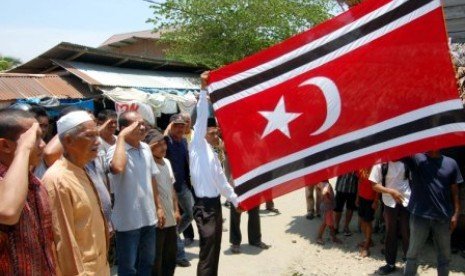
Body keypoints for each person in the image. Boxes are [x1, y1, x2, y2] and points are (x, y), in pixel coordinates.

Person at [42, 110, 109, 275]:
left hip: (99, 267)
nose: (97, 141)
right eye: (90, 136)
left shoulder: (82, 169)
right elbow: (63, 241)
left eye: (97, 135)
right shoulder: (58, 179)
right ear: (68, 140)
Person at [190, 71, 243, 276]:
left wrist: (236, 201)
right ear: (202, 133)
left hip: (214, 206)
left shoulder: (213, 154)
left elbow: (222, 183)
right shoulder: (197, 146)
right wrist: (204, 91)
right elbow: (202, 117)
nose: (215, 134)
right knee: (207, 251)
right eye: (211, 132)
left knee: (213, 250)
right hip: (203, 206)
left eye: (216, 132)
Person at [107, 111, 165, 275]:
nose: (143, 127)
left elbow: (152, 178)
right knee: (128, 268)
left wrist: (158, 207)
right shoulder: (115, 150)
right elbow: (117, 168)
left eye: (143, 123)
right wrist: (121, 138)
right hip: (127, 222)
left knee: (147, 263)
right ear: (124, 128)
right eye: (137, 124)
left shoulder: (146, 148)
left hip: (148, 218)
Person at [0, 109, 56, 275]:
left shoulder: (36, 183)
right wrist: (24, 148)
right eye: (34, 138)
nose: (42, 144)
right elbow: (7, 211)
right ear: (4, 145)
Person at [403, 151, 462, 276]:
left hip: (443, 216)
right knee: (412, 254)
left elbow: (455, 191)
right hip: (419, 215)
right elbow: (398, 153)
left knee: (444, 256)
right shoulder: (417, 158)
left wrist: (456, 213)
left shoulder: (451, 163)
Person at [145, 129, 181, 276]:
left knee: (170, 257)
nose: (163, 147)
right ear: (149, 147)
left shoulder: (167, 162)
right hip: (156, 220)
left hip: (171, 219)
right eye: (158, 144)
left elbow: (171, 188)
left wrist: (176, 209)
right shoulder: (147, 164)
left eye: (164, 143)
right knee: (156, 259)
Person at [370, 161, 411, 275]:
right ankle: (390, 264)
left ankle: (409, 262)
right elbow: (373, 184)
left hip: (406, 201)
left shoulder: (408, 161)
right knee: (390, 232)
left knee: (406, 232)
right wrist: (390, 191)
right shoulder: (381, 164)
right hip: (389, 202)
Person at [165, 113, 193, 267]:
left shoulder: (183, 141)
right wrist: (168, 128)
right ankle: (180, 255)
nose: (180, 128)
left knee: (190, 213)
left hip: (182, 185)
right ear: (170, 126)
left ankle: (173, 235)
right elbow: (162, 138)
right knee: (172, 219)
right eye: (176, 125)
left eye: (183, 125)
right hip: (168, 188)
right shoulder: (165, 141)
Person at [356, 168, 378, 258]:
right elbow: (359, 182)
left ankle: (366, 247)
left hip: (370, 199)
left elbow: (377, 186)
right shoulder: (361, 167)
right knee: (362, 221)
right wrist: (357, 197)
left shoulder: (376, 168)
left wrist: (376, 201)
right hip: (362, 197)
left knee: (367, 221)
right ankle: (368, 241)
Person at [315, 180, 341, 245]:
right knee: (325, 223)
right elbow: (325, 196)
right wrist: (330, 200)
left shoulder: (319, 183)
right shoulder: (325, 184)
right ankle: (319, 237)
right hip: (327, 207)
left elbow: (320, 193)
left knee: (330, 223)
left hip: (326, 207)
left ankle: (333, 237)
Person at [334, 171, 358, 236]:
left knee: (350, 209)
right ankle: (336, 226)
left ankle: (346, 227)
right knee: (338, 209)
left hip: (352, 189)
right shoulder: (342, 161)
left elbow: (359, 178)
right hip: (341, 187)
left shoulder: (358, 163)